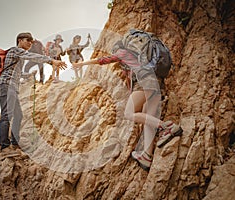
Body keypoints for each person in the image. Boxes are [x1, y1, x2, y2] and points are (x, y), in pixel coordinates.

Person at [72, 34, 183, 170]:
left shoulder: (123, 52)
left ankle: (167, 127)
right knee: (148, 119)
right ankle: (147, 156)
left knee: (129, 113)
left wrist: (82, 63)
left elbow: (104, 60)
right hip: (157, 82)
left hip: (144, 83)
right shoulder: (140, 58)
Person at [0, 32, 66, 151]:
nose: (30, 43)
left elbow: (16, 72)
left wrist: (28, 75)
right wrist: (51, 61)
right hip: (7, 85)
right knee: (7, 115)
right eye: (28, 40)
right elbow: (32, 56)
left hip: (11, 86)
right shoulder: (15, 50)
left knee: (18, 115)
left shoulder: (18, 56)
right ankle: (4, 146)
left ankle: (15, 142)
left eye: (31, 41)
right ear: (20, 40)